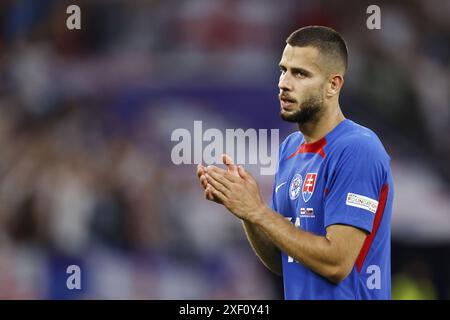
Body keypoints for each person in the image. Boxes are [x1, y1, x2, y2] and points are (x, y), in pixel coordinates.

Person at [196, 26, 394, 300]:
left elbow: (336, 263)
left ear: (333, 85)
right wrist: (246, 211)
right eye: (283, 70)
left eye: (300, 73)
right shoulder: (290, 149)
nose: (284, 83)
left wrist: (258, 212)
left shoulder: (358, 148)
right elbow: (284, 262)